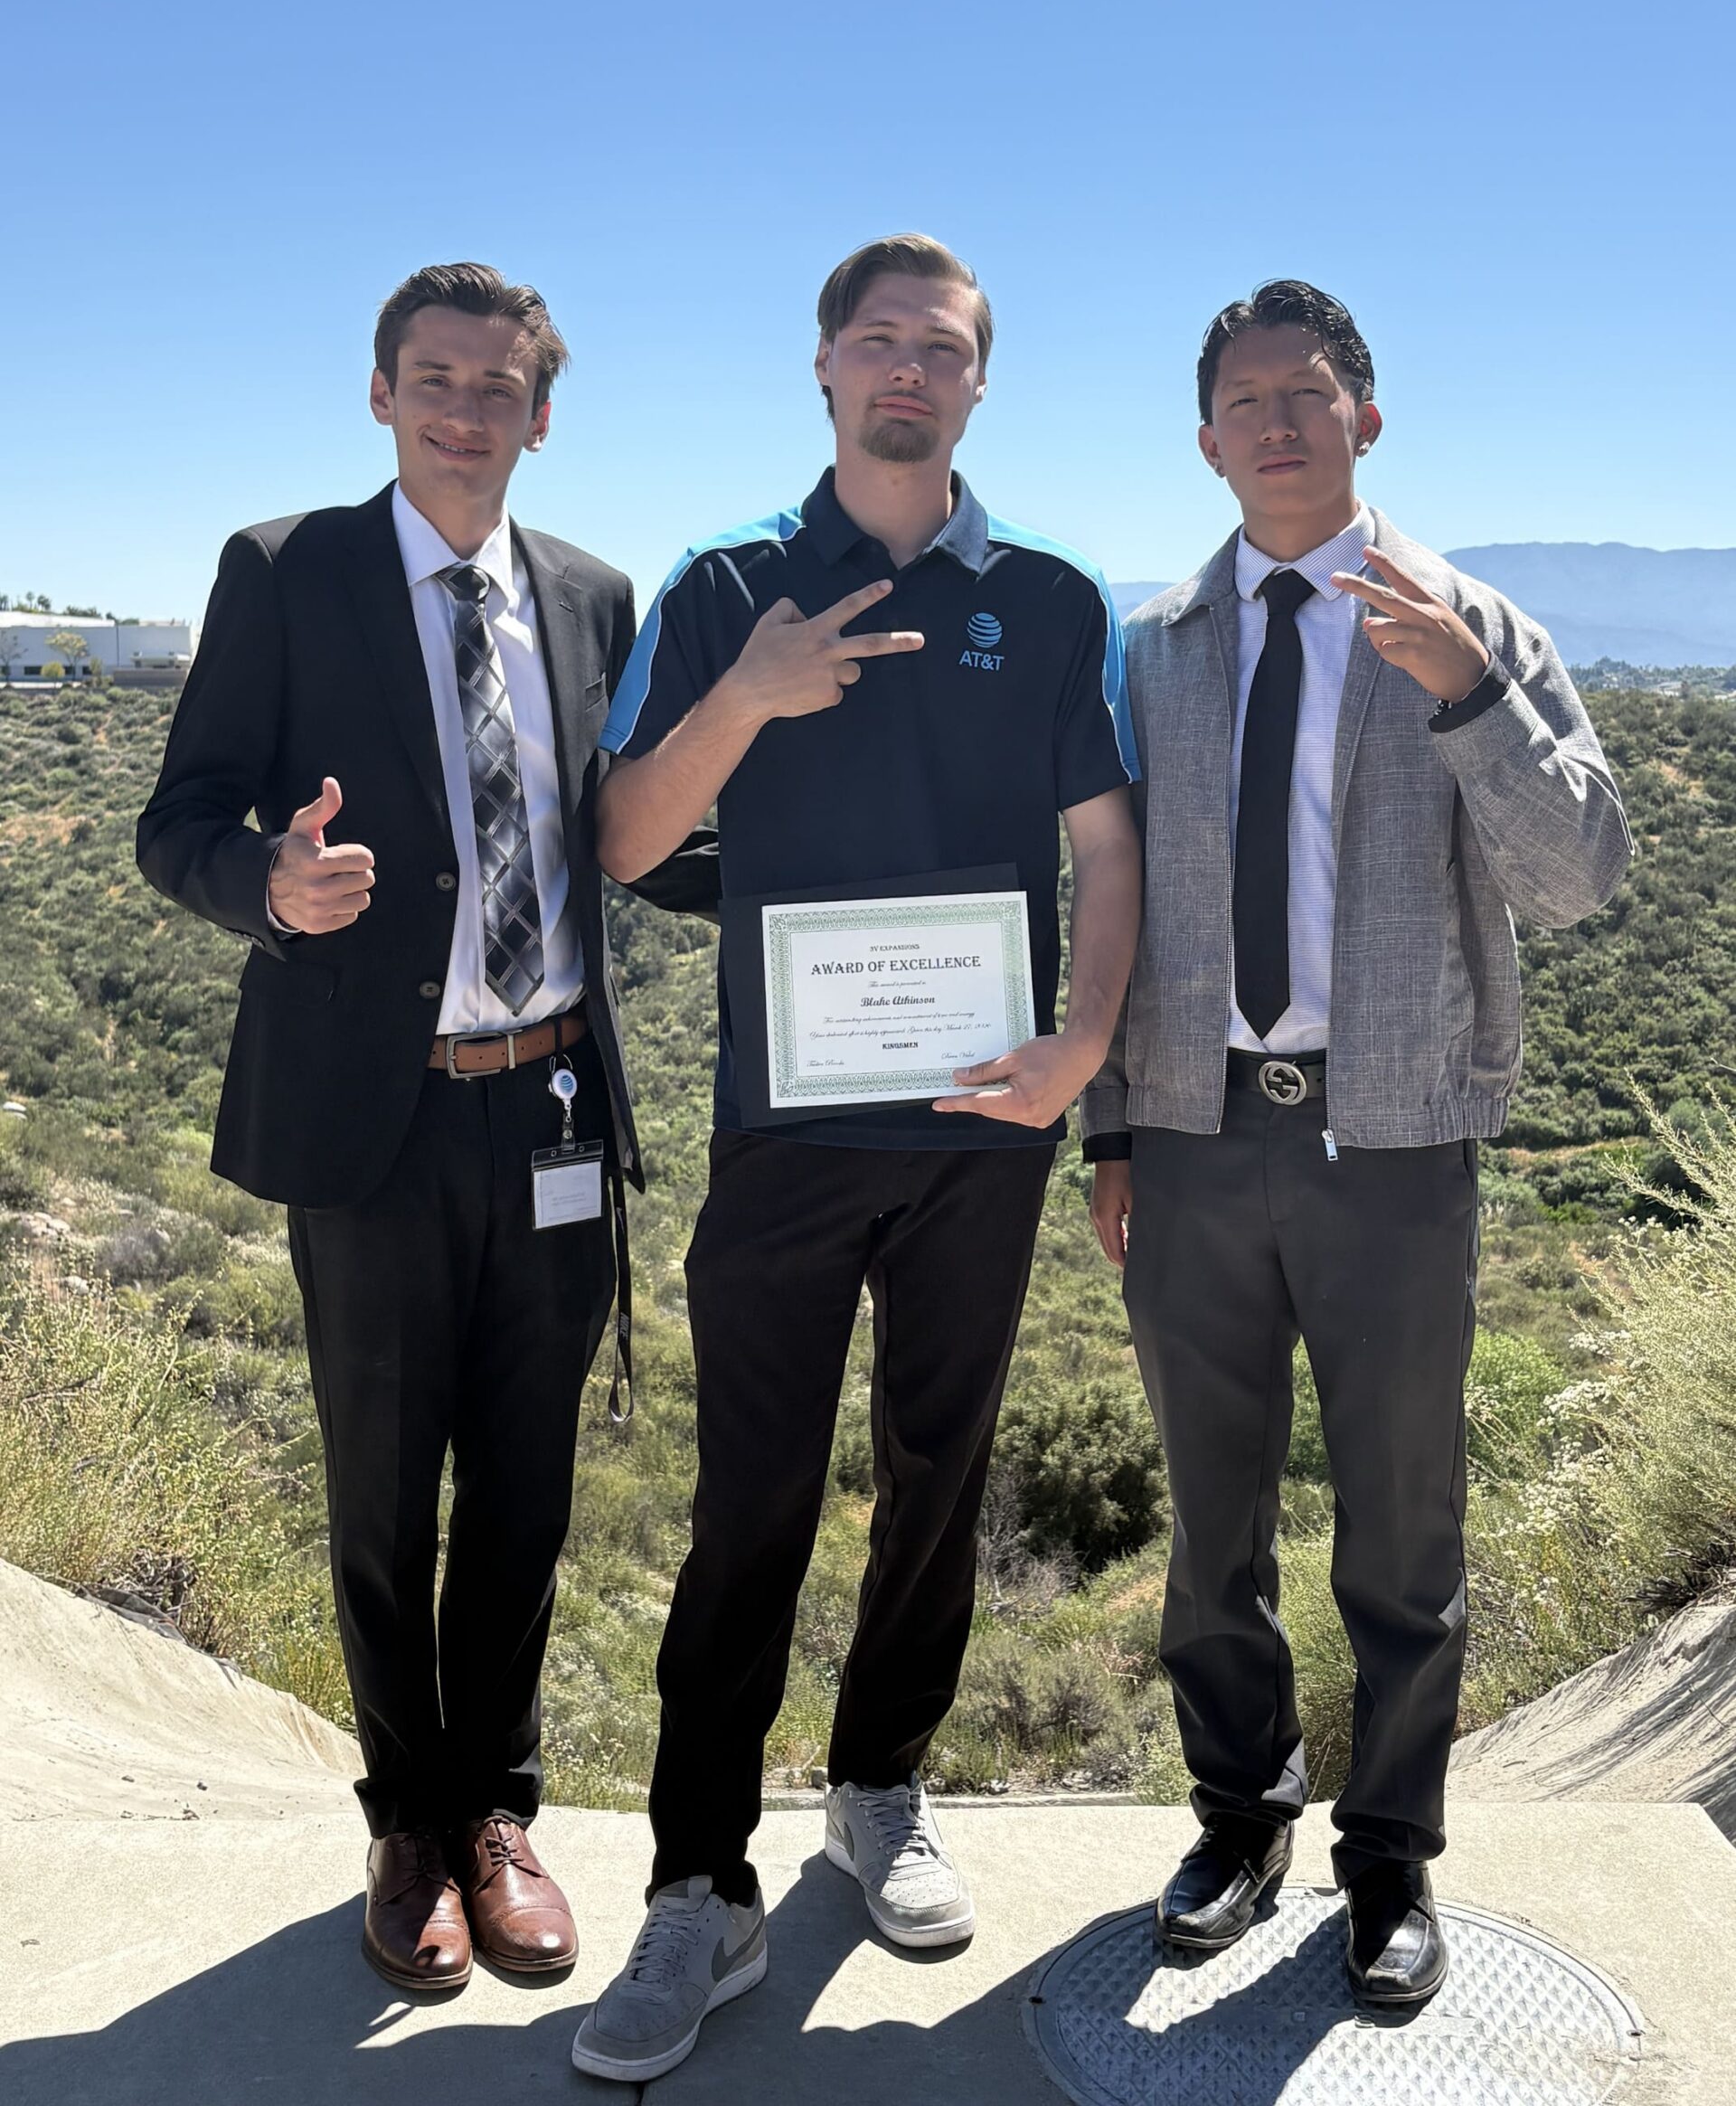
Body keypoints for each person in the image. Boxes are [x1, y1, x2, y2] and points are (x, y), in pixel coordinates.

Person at [569, 233, 1142, 2082]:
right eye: (879, 339)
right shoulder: (727, 583)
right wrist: (746, 695)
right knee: (749, 1499)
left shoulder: (1050, 597)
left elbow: (1107, 847)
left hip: (984, 1123)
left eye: (942, 346)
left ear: (979, 379)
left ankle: (878, 1789)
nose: (910, 367)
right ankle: (697, 1881)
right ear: (823, 365)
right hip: (786, 1131)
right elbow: (624, 840)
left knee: (936, 1473)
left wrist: (1084, 1048)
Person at [137, 263, 713, 1994]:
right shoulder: (285, 571)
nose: (468, 411)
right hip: (371, 1118)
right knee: (385, 1494)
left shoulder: (596, 597)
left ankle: (498, 1817)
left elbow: (639, 833)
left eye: (499, 384)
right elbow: (177, 821)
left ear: (544, 411)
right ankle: (406, 1825)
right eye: (436, 379)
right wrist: (268, 883)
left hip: (552, 1099)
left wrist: (839, 882)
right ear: (381, 393)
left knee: (527, 1487)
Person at [1082, 280, 1631, 2007]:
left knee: (1401, 1526)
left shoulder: (1473, 624)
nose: (1275, 422)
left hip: (1391, 1141)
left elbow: (1582, 877)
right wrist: (1111, 1128)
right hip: (1191, 1133)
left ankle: (1388, 1861)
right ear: (1204, 441)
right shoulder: (1157, 647)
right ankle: (1237, 1819)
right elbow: (1109, 898)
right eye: (1243, 400)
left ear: (1365, 418)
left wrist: (1470, 696)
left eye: (1305, 393)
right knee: (1211, 1522)